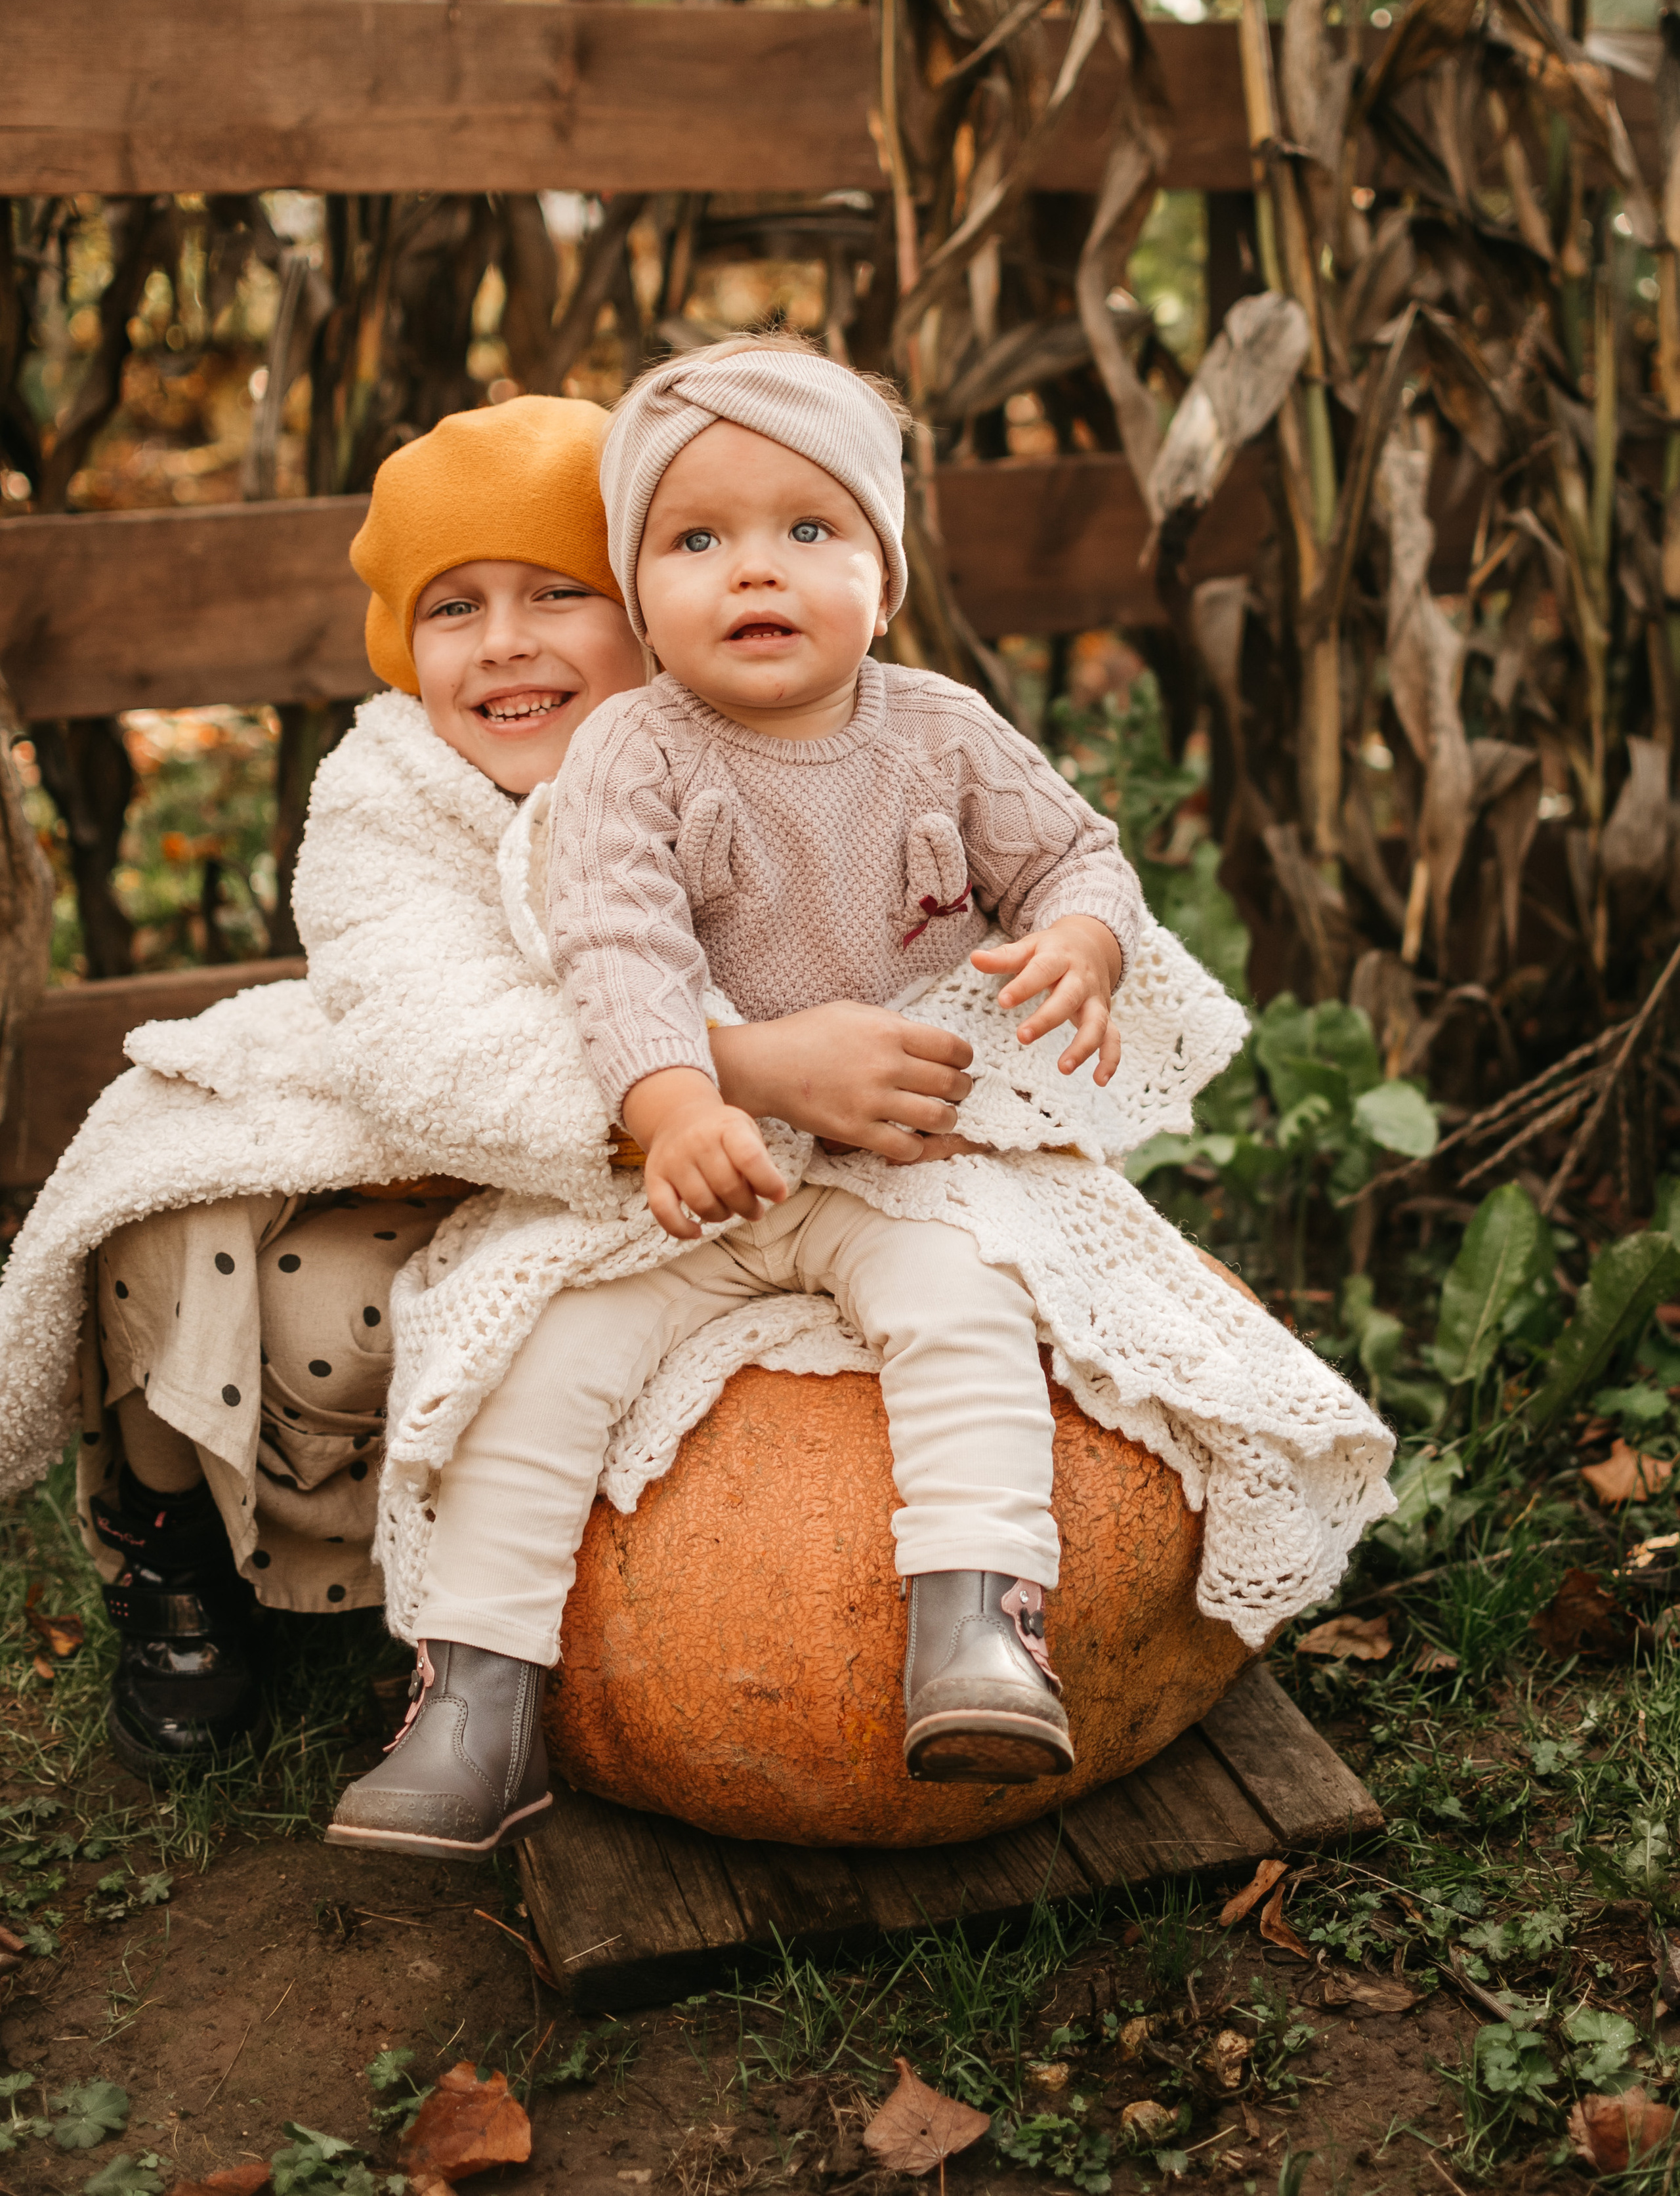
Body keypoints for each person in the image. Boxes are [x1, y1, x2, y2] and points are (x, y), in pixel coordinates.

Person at [326, 343, 1396, 1866]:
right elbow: (613, 944)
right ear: (640, 598)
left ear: (880, 580)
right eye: (695, 542)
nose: (752, 571)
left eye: (805, 532)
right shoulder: (629, 751)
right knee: (537, 1360)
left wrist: (1083, 938)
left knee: (962, 1307)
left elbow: (1075, 853)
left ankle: (978, 1622)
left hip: (896, 1165)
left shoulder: (941, 730)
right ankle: (477, 1697)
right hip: (696, 1171)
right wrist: (675, 1098)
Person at [0, 394, 980, 1779]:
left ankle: (635, 1580)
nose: (505, 643)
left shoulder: (766, 732)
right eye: (452, 608)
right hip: (486, 1158)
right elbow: (438, 1052)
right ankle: (173, 1558)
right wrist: (743, 1066)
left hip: (727, 1200)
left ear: (648, 602)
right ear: (404, 647)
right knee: (177, 1225)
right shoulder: (387, 792)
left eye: (556, 593)